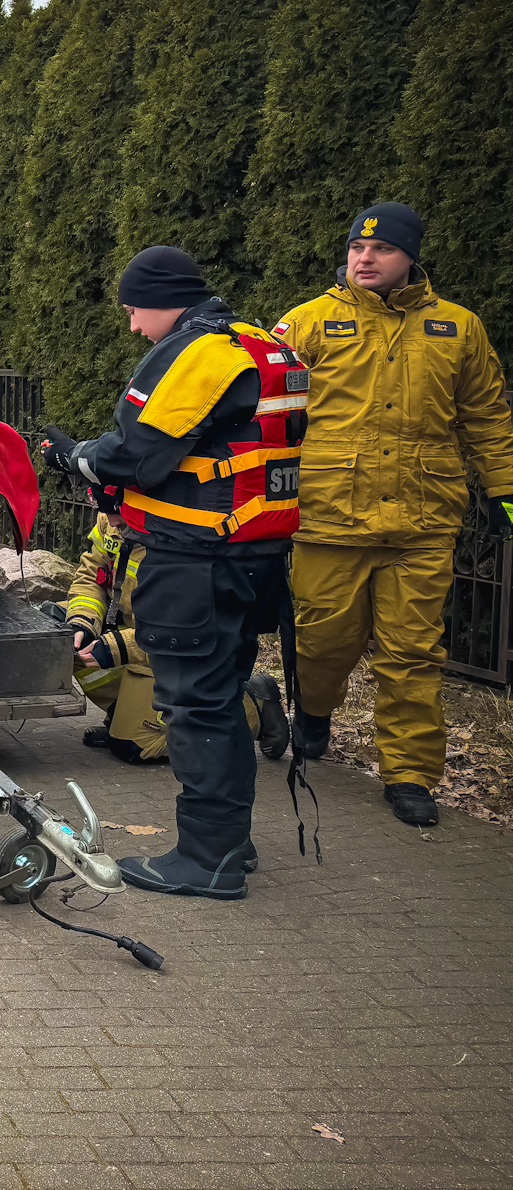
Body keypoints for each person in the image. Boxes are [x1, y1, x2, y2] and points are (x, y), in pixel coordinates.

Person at [41, 246, 306, 901]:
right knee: (218, 694)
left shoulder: (199, 353)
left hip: (197, 559)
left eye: (135, 311)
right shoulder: (263, 346)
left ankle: (206, 858)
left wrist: (74, 457)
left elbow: (136, 453)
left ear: (164, 297)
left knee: (196, 707)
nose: (133, 326)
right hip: (256, 554)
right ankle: (229, 843)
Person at [271, 203, 513, 827]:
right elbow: (267, 412)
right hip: (329, 515)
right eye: (356, 248)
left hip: (423, 521)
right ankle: (315, 711)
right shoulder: (309, 323)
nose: (364, 259)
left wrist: (503, 491)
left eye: (379, 250)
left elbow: (486, 416)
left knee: (412, 653)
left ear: (410, 258)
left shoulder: (457, 328)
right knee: (323, 640)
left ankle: (409, 773)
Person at [64, 513, 285, 766]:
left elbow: (183, 631)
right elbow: (90, 575)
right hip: (137, 636)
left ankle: (255, 706)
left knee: (134, 747)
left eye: (115, 509)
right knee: (58, 642)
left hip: (183, 653)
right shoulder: (111, 509)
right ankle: (121, 714)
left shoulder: (177, 529)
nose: (111, 521)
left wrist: (115, 646)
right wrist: (82, 621)